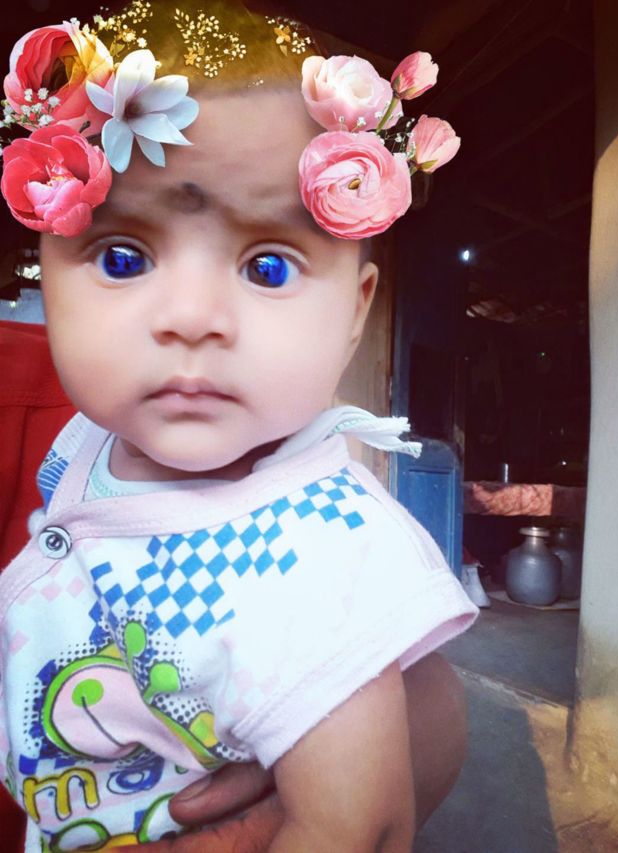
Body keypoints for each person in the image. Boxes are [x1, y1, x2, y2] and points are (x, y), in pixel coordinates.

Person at [0, 2, 475, 851]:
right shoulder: (86, 447)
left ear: (355, 313)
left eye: (268, 267)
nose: (192, 317)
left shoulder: (317, 550)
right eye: (122, 257)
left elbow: (355, 828)